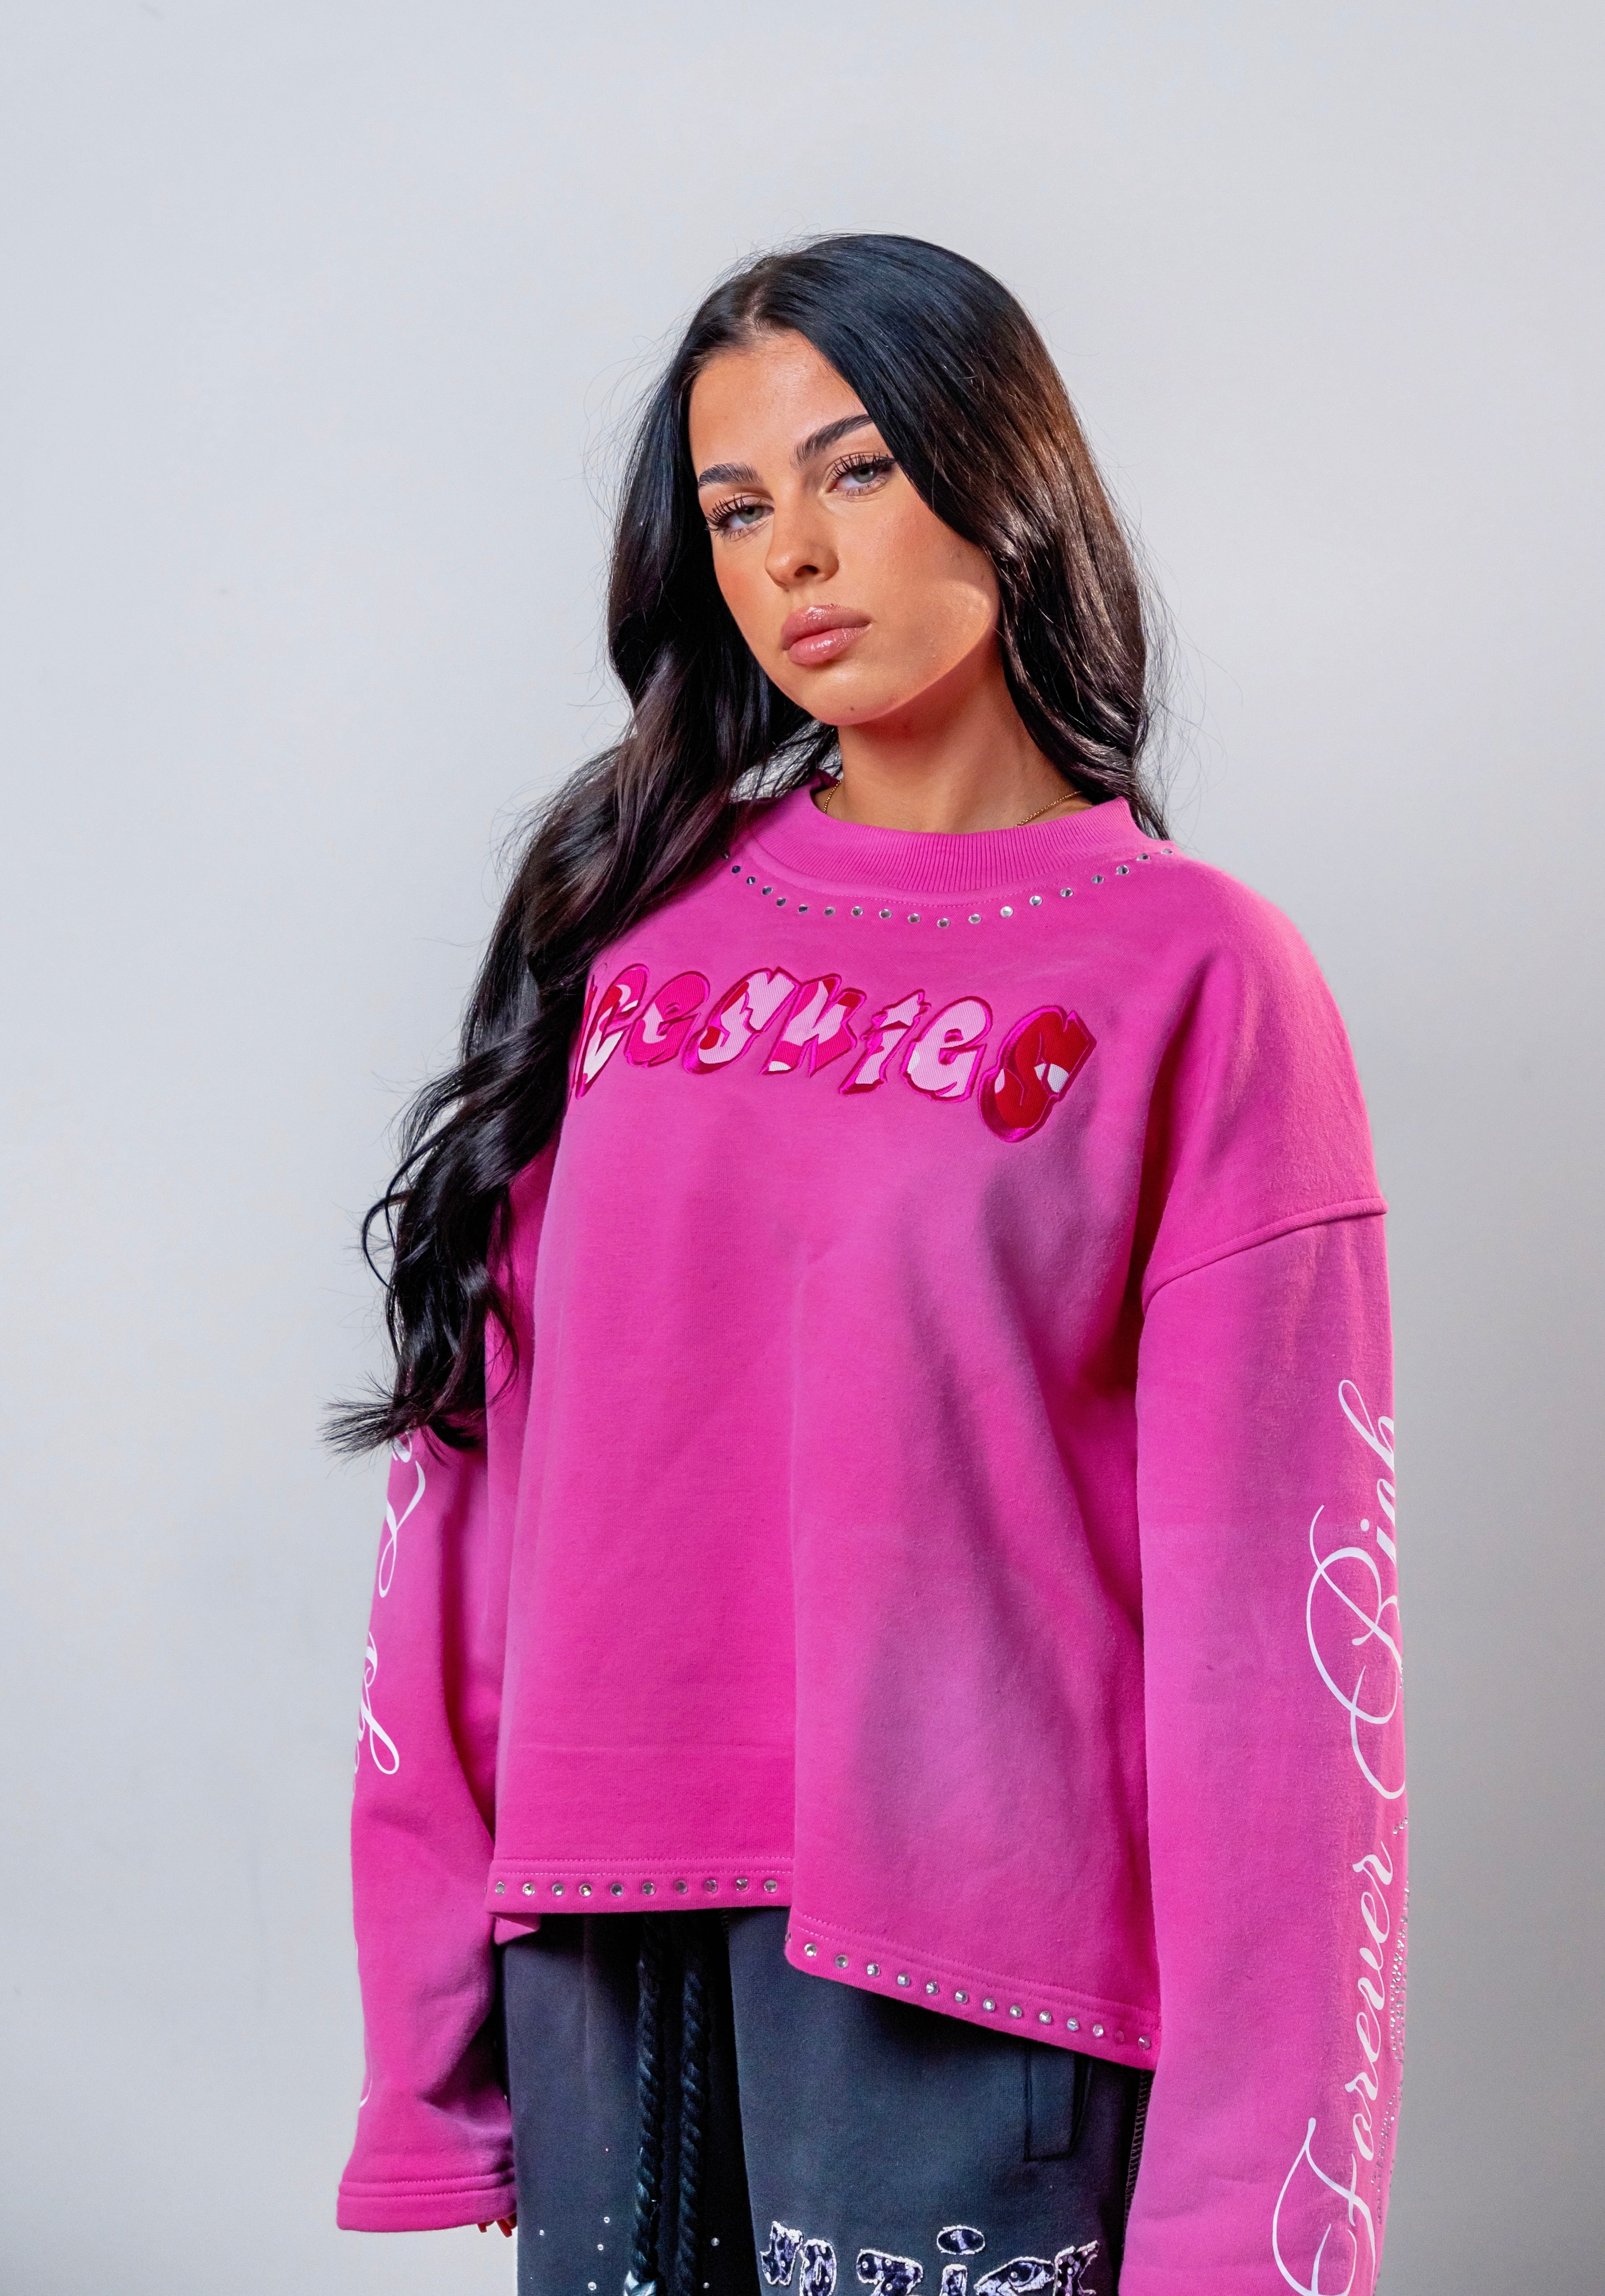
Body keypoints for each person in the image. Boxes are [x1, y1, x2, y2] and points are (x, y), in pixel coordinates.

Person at [333, 234, 1406, 2296]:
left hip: (979, 1978)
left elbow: (1279, 1660)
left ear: (1003, 474)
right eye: (738, 509)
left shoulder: (1197, 978)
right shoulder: (629, 932)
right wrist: (433, 2040)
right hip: (602, 1967)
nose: (796, 558)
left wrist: (1253, 2225)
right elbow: (472, 1486)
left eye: (855, 472)